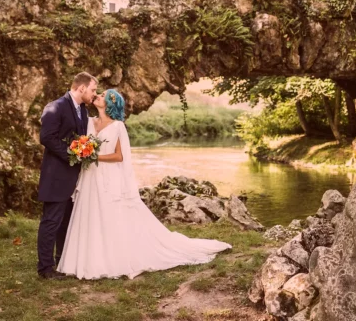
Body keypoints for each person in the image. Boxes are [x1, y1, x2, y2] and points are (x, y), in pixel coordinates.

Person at [57, 89, 231, 279]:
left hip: (108, 176)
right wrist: (81, 151)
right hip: (90, 176)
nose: (97, 96)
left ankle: (110, 260)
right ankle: (84, 261)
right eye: (98, 94)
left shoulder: (117, 126)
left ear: (108, 104)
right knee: (89, 214)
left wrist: (94, 155)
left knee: (109, 215)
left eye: (102, 96)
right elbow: (80, 142)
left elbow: (119, 156)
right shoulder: (89, 122)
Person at [36, 72, 98, 280]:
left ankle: (61, 260)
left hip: (74, 177)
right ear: (81, 88)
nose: (94, 94)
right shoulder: (55, 107)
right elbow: (46, 137)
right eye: (93, 90)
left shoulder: (81, 109)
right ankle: (45, 268)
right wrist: (72, 154)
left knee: (66, 222)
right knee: (51, 221)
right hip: (56, 175)